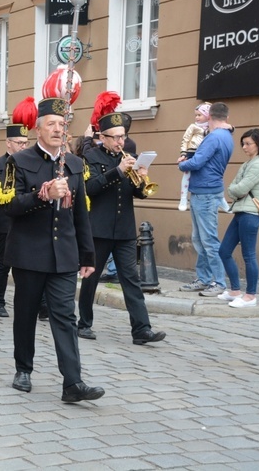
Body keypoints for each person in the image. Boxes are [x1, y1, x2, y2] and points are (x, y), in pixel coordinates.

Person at [0, 95, 105, 403]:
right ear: (38, 130)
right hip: (29, 254)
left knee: (64, 315)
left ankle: (73, 382)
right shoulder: (19, 161)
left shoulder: (74, 163)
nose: (58, 130)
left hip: (64, 255)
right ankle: (23, 368)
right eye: (52, 124)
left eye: (62, 125)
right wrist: (40, 195)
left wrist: (87, 255)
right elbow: (10, 207)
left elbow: (81, 214)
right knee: (26, 313)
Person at [77, 91, 167, 345]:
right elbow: (90, 188)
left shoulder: (129, 159)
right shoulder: (90, 158)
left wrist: (142, 176)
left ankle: (141, 329)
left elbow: (140, 193)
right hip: (99, 229)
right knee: (91, 279)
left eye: (123, 137)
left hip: (125, 231)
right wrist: (118, 171)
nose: (120, 142)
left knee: (131, 280)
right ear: (102, 137)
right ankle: (83, 323)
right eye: (115, 137)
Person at [178, 102, 234, 297]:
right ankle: (203, 279)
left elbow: (197, 162)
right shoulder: (226, 135)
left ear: (209, 117)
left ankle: (218, 282)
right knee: (200, 239)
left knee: (208, 240)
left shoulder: (213, 138)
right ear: (226, 118)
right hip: (207, 191)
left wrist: (183, 164)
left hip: (205, 193)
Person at [0, 97, 34, 318]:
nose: (23, 146)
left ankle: (36, 304)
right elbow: (2, 195)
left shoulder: (31, 162)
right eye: (19, 143)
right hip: (6, 222)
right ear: (9, 143)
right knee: (4, 264)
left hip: (27, 220)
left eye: (26, 143)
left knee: (29, 265)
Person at [218, 129, 259, 308]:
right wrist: (235, 189)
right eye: (243, 144)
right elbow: (233, 187)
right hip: (240, 211)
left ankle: (251, 296)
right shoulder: (248, 163)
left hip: (250, 213)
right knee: (224, 251)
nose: (244, 147)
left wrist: (235, 189)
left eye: (248, 144)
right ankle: (235, 291)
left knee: (249, 255)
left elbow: (238, 189)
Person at [178, 103, 212, 211]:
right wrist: (183, 153)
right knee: (187, 174)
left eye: (199, 115)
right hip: (191, 152)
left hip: (203, 153)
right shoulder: (193, 126)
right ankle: (183, 198)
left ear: (207, 115)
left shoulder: (211, 127)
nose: (197, 117)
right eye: (196, 115)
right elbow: (185, 139)